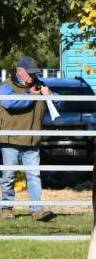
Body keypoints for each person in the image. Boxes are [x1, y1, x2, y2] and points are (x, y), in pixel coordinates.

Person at [1, 56, 55, 221]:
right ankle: (7, 207)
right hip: (10, 139)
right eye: (29, 73)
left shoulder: (40, 85)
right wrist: (33, 96)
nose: (33, 76)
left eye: (34, 73)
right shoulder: (6, 87)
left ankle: (36, 209)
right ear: (19, 71)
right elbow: (11, 103)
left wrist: (50, 94)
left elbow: (58, 105)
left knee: (34, 175)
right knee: (9, 175)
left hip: (32, 140)